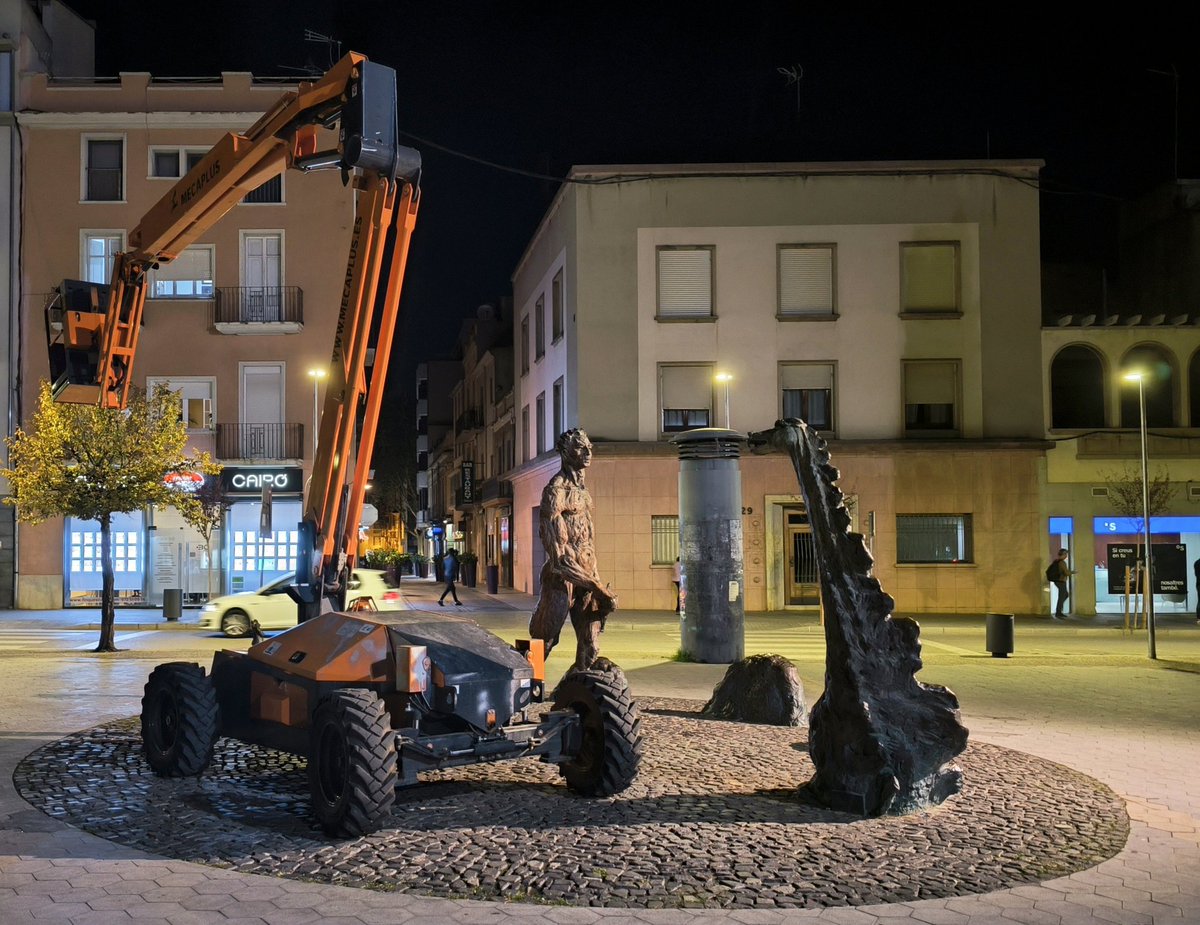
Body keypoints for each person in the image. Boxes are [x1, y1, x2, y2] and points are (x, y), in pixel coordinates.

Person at [529, 428, 616, 672]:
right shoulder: (555, 492)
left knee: (590, 646)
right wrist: (598, 588)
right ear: (565, 452)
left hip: (587, 578)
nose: (588, 452)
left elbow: (587, 542)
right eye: (580, 447)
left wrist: (595, 581)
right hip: (561, 581)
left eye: (589, 446)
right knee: (543, 642)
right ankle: (521, 690)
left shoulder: (584, 493)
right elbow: (559, 558)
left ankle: (576, 694)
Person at [1047, 548, 1072, 620]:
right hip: (1061, 581)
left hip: (1057, 581)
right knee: (1062, 596)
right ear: (1063, 554)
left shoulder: (1056, 561)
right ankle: (1058, 612)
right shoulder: (1062, 562)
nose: (1066, 555)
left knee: (1065, 595)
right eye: (1066, 554)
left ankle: (1059, 610)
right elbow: (1066, 573)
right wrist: (1073, 572)